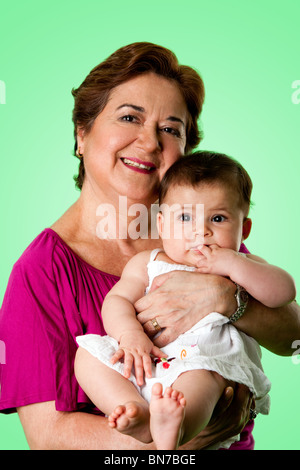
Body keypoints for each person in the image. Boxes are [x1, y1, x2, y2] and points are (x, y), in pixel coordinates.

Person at [0, 42, 299, 450]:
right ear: (81, 134)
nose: (149, 141)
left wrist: (229, 299)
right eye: (129, 117)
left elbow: (293, 336)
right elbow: (48, 436)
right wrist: (175, 446)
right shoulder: (41, 272)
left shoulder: (197, 233)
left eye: (170, 129)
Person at [75, 151, 296, 450]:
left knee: (202, 380)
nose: (200, 231)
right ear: (163, 225)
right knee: (88, 355)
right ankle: (132, 410)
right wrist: (129, 335)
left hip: (205, 364)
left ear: (243, 228)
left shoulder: (243, 264)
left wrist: (234, 265)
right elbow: (117, 301)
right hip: (147, 361)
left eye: (217, 218)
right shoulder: (148, 262)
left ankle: (174, 432)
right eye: (185, 217)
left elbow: (284, 292)